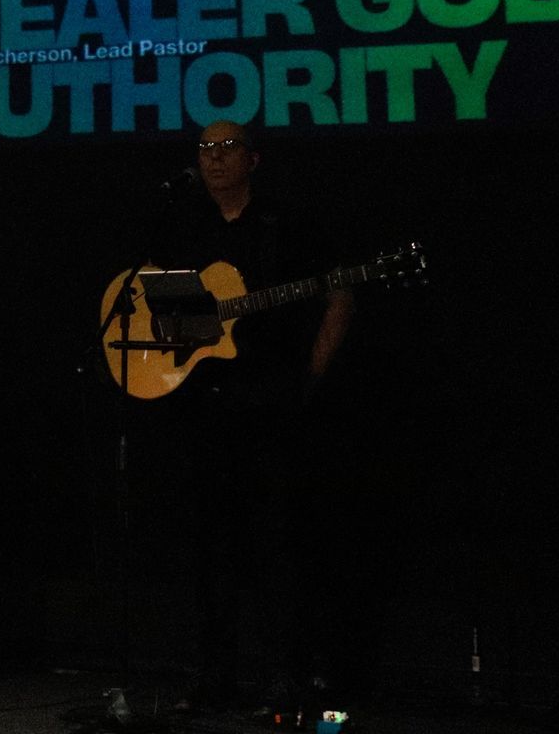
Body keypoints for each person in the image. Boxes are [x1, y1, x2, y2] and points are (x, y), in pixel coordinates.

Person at [152, 119, 353, 713]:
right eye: (205, 150)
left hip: (273, 406)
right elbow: (173, 322)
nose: (214, 160)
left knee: (279, 546)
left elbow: (339, 294)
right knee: (212, 549)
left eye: (227, 148)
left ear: (253, 159)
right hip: (206, 408)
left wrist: (311, 373)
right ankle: (216, 676)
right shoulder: (184, 225)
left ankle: (286, 677)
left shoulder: (287, 222)